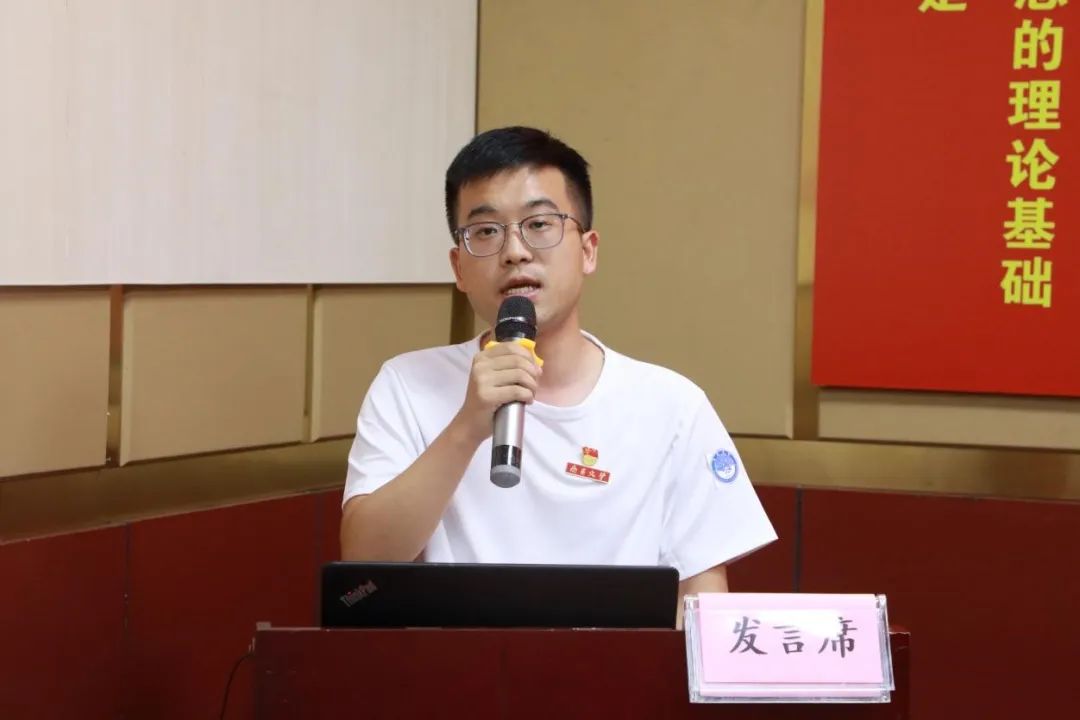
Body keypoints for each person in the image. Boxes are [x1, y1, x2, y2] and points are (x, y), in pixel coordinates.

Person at [339, 126, 776, 622]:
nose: (514, 251)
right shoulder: (407, 385)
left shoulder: (672, 406)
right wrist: (467, 426)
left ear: (588, 250)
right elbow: (363, 564)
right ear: (459, 268)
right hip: (459, 669)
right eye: (486, 231)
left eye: (540, 224)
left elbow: (701, 600)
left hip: (617, 671)